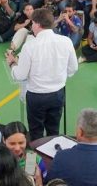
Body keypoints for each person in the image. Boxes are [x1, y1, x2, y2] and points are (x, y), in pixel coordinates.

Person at [7, 7, 78, 139]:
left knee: (36, 133)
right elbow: (73, 68)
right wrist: (58, 75)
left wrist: (12, 63)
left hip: (36, 96)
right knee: (53, 130)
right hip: (57, 94)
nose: (32, 26)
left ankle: (37, 151)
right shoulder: (66, 41)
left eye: (33, 23)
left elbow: (20, 75)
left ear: (38, 24)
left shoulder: (30, 46)